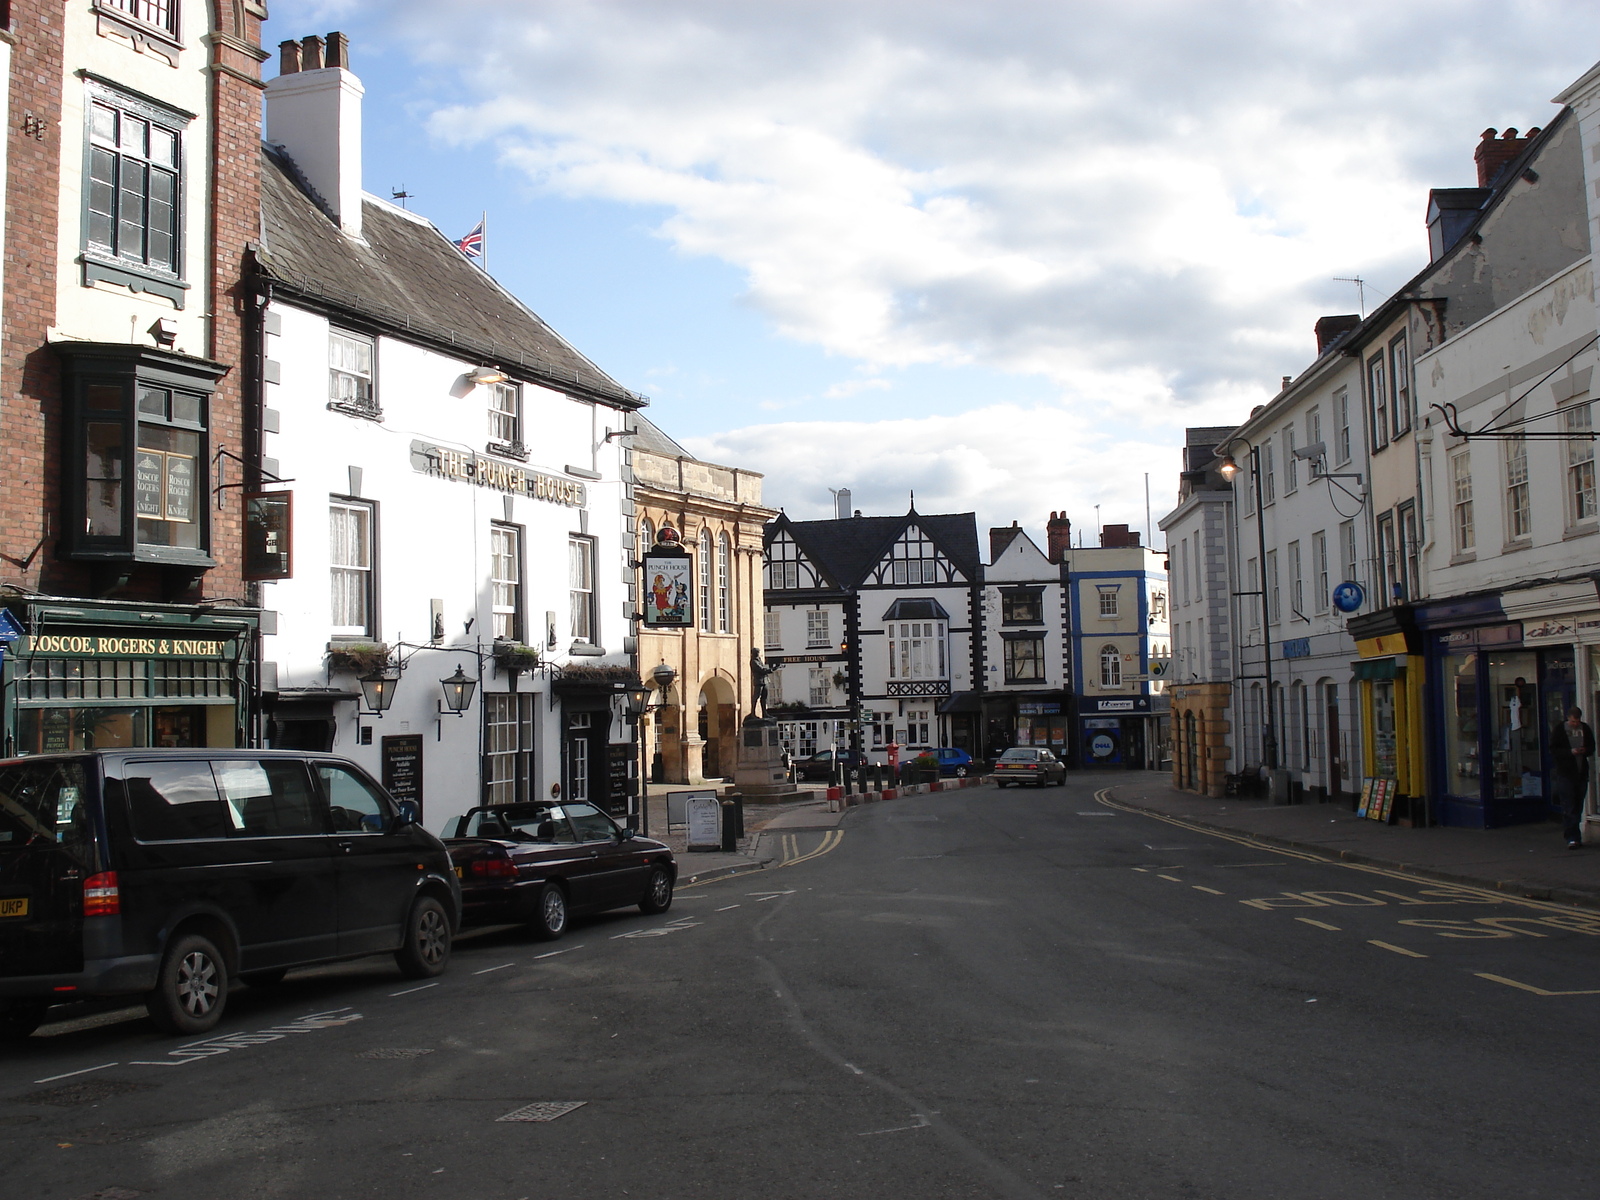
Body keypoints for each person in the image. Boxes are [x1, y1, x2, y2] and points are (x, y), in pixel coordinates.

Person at [1548, 705, 1595, 848]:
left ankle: (1576, 836)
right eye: (1573, 721)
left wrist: (1584, 750)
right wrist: (1570, 752)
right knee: (1569, 806)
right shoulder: (1560, 730)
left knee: (1578, 805)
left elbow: (1592, 747)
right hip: (1565, 773)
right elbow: (1554, 749)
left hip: (1581, 772)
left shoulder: (1585, 729)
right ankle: (1571, 837)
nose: (1576, 724)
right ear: (1568, 718)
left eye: (1578, 721)